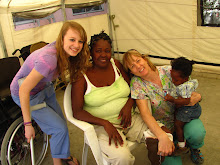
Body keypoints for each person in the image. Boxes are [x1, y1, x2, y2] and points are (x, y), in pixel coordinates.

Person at [10, 21, 91, 165]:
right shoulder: (49, 59)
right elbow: (23, 90)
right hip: (26, 93)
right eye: (72, 40)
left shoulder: (64, 51)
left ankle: (63, 156)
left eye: (81, 41)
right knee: (58, 128)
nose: (77, 45)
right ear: (62, 39)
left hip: (45, 87)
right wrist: (28, 125)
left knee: (61, 126)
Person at [71, 31, 156, 165]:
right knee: (122, 158)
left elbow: (133, 88)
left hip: (130, 119)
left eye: (107, 50)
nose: (103, 55)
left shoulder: (115, 64)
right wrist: (105, 123)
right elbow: (77, 111)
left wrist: (129, 105)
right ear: (90, 52)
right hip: (103, 127)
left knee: (161, 134)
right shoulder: (81, 75)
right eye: (98, 51)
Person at [122, 49, 206, 165]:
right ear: (131, 71)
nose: (138, 66)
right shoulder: (137, 84)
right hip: (164, 127)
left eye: (138, 60)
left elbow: (190, 89)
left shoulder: (168, 71)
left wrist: (198, 96)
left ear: (145, 59)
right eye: (132, 66)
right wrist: (162, 136)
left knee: (197, 132)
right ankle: (176, 143)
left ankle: (193, 147)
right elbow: (145, 114)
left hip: (182, 118)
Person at [164, 57, 202, 156]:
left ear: (185, 79)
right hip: (191, 109)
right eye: (172, 78)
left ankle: (182, 146)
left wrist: (172, 100)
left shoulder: (184, 86)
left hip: (187, 110)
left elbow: (186, 101)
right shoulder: (187, 80)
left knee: (178, 124)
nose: (172, 81)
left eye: (175, 80)